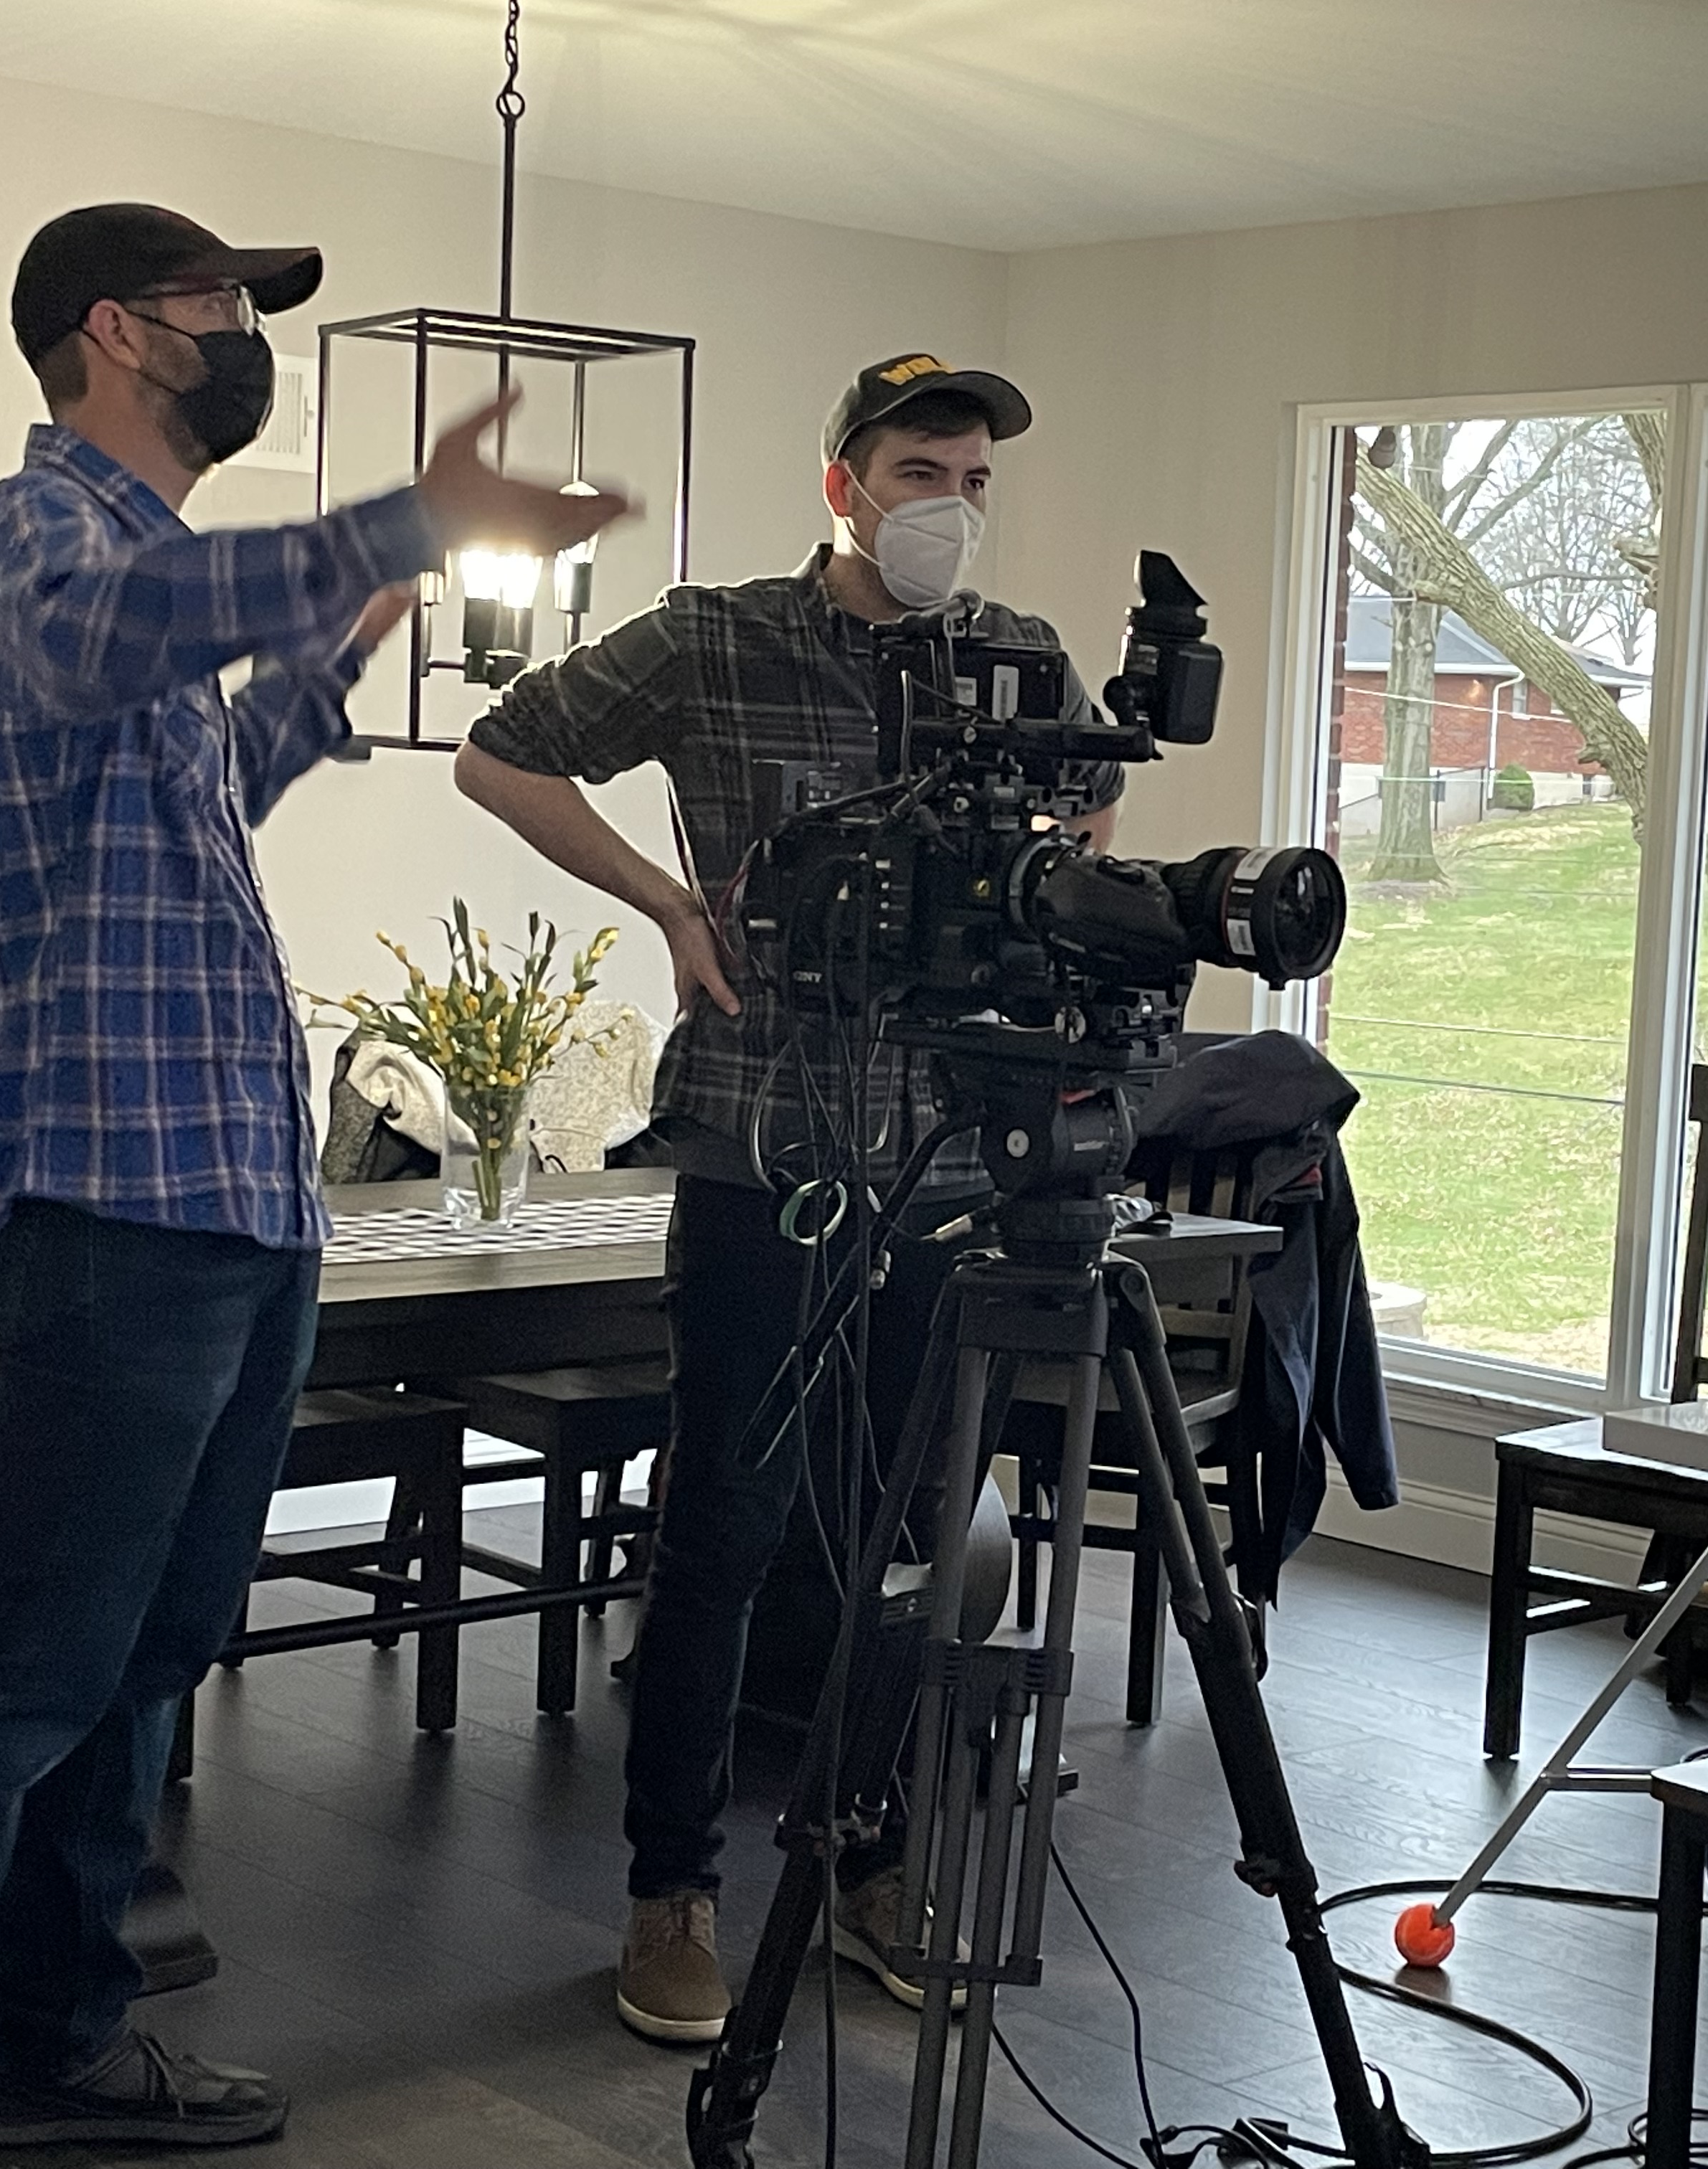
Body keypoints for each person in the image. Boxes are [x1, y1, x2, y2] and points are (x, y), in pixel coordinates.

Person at [0, 203, 625, 2169]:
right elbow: (110, 640)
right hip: (117, 1206)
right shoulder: (34, 541)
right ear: (118, 332)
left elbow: (204, 785)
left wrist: (338, 649)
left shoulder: (149, 589)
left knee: (141, 1656)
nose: (245, 338)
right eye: (224, 306)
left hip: (230, 1207)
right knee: (20, 1670)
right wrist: (391, 522)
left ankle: (59, 2045)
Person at [454, 353, 1120, 2044]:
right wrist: (670, 904)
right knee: (729, 1527)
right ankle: (671, 1891)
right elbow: (504, 755)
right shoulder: (715, 640)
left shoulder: (1018, 659)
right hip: (765, 1150)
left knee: (899, 1533)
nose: (950, 507)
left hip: (947, 1160)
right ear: (844, 486)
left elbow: (1092, 808)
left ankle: (870, 1859)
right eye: (919, 473)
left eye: (973, 480)